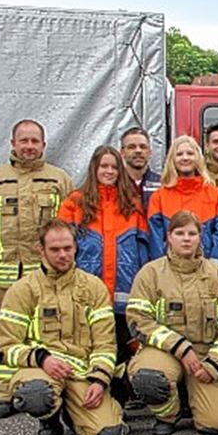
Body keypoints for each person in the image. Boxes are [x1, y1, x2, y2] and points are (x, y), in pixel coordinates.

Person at [0, 119, 74, 419]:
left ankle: (44, 391)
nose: (29, 146)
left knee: (49, 332)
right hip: (5, 275)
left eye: (35, 141)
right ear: (13, 144)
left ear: (44, 145)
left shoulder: (58, 180)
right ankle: (5, 395)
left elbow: (70, 230)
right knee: (5, 334)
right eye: (23, 140)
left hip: (46, 275)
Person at [0, 219, 128, 435]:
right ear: (41, 250)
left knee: (109, 434)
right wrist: (41, 358)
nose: (63, 255)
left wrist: (99, 380)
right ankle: (50, 418)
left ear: (76, 247)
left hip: (82, 372)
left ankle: (73, 412)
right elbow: (5, 347)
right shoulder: (23, 290)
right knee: (37, 395)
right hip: (41, 371)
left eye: (68, 248)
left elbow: (105, 343)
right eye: (55, 250)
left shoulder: (93, 287)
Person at [126, 210, 218, 435]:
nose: (186, 238)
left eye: (192, 233)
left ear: (200, 237)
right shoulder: (150, 274)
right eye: (179, 233)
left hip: (206, 355)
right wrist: (181, 347)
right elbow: (139, 321)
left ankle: (199, 398)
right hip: (165, 352)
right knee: (149, 377)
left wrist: (214, 364)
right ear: (169, 237)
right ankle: (169, 414)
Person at [57, 146, 151, 397]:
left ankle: (121, 398)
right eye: (103, 167)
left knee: (124, 347)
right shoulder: (75, 202)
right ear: (94, 169)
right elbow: (62, 252)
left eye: (113, 167)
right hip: (88, 294)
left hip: (124, 293)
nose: (109, 171)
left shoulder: (131, 203)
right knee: (90, 346)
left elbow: (143, 250)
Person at [147, 135, 218, 267]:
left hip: (205, 272)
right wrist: (164, 270)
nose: (185, 158)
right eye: (179, 154)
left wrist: (214, 269)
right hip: (170, 272)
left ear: (198, 158)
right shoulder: (159, 197)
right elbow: (156, 240)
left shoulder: (215, 195)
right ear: (172, 160)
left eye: (190, 153)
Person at [119, 127, 162, 208]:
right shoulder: (115, 184)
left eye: (143, 147)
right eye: (131, 147)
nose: (138, 151)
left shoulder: (162, 184)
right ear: (122, 153)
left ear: (150, 152)